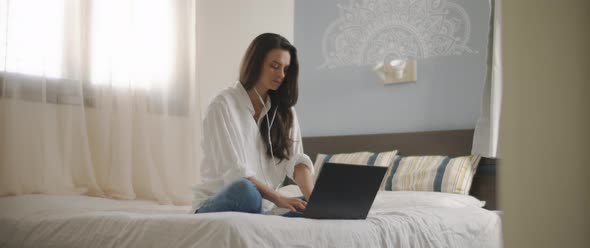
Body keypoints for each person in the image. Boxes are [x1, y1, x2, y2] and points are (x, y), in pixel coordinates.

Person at [191, 33, 315, 217]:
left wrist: (313, 200)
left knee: (309, 205)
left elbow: (296, 160)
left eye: (285, 69)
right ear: (256, 63)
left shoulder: (285, 111)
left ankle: (269, 216)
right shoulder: (223, 105)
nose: (281, 75)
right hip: (225, 199)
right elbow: (235, 173)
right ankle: (268, 215)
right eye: (274, 66)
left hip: (266, 206)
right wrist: (278, 198)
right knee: (246, 191)